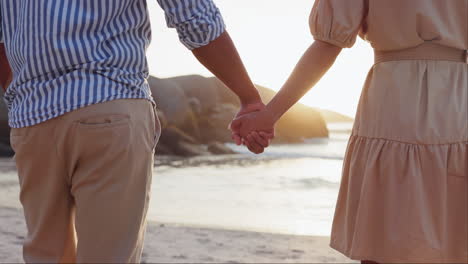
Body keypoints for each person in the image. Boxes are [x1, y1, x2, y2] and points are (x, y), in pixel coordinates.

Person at [0, 0, 271, 262]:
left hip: (32, 119)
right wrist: (248, 96)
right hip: (108, 102)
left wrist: (21, 99)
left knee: (46, 255)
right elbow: (194, 15)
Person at [230, 0, 467, 263]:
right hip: (458, 103)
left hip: (393, 103)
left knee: (381, 244)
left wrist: (269, 115)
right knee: (457, 243)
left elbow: (327, 45)